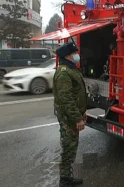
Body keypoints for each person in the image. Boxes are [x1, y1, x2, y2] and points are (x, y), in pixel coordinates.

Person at [53, 41, 87, 187]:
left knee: (72, 146)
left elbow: (76, 94)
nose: (77, 56)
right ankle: (64, 180)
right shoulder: (64, 73)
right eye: (75, 54)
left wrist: (82, 112)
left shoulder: (71, 69)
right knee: (68, 147)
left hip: (72, 116)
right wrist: (77, 118)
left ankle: (67, 177)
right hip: (68, 118)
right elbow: (66, 99)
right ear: (68, 56)